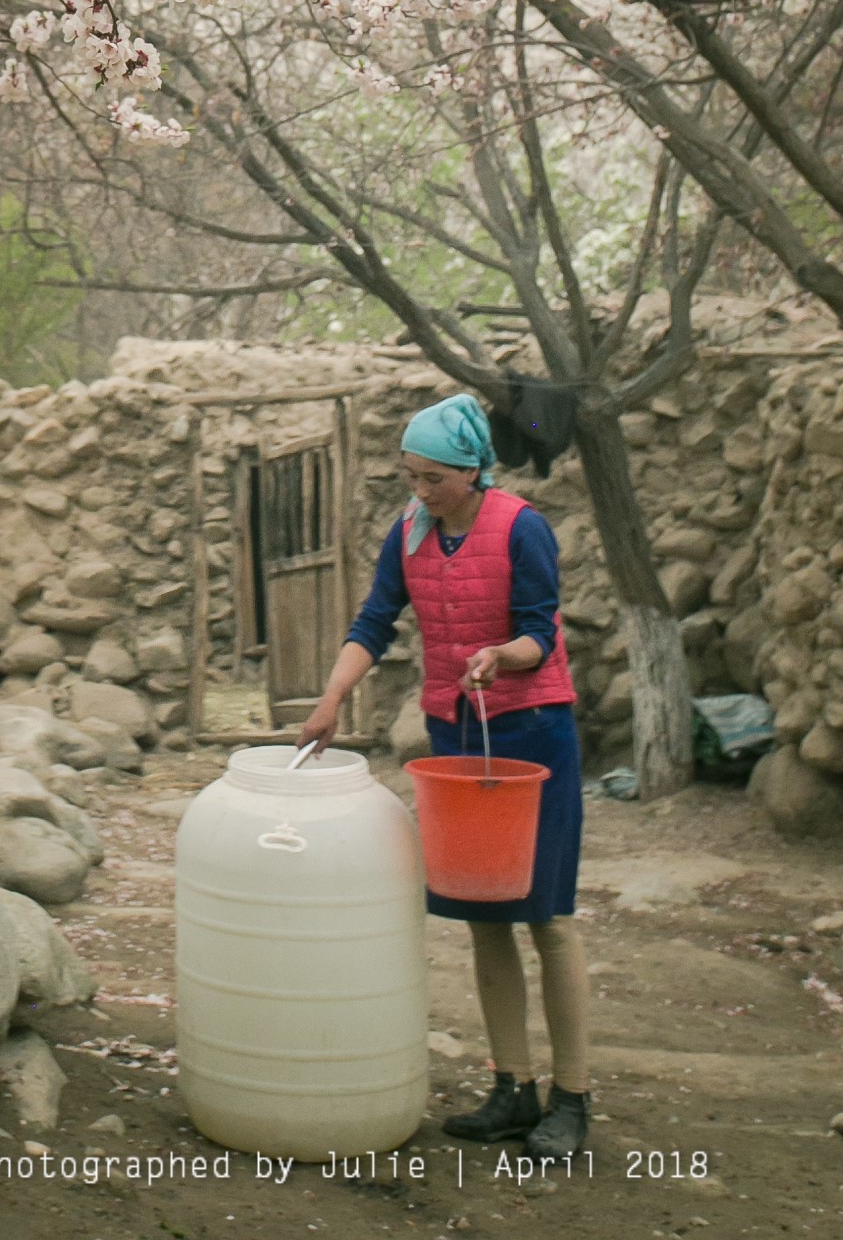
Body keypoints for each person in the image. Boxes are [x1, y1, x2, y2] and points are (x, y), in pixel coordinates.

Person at [297, 391, 591, 1159]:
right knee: (484, 912)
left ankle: (572, 1097)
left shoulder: (522, 528)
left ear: (470, 472)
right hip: (455, 732)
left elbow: (538, 629)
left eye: (431, 478)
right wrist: (331, 697)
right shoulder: (408, 534)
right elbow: (374, 622)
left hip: (533, 733)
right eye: (409, 476)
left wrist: (500, 657)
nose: (418, 491)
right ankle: (511, 1086)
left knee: (546, 918)